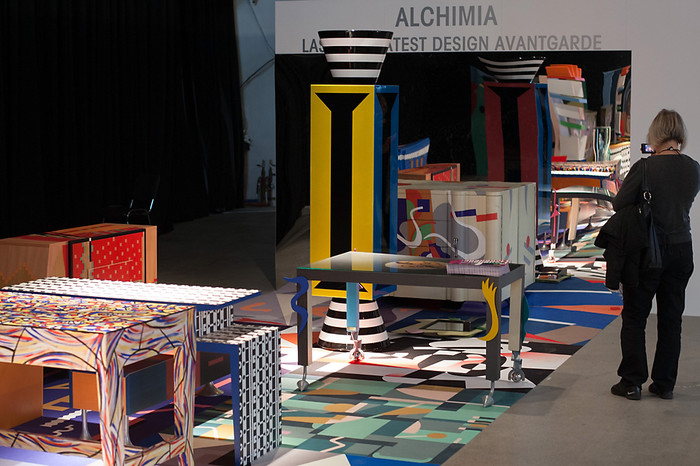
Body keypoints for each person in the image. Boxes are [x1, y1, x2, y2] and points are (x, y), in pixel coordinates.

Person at [610, 109, 700, 400]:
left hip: (648, 251)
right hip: (682, 250)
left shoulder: (645, 167)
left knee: (635, 316)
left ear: (656, 134)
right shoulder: (694, 168)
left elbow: (619, 204)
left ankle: (631, 382)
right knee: (672, 319)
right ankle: (664, 384)